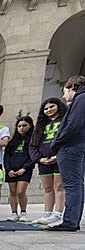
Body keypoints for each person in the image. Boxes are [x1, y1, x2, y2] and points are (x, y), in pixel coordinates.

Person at [49, 75, 85, 231]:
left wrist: (56, 142)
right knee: (77, 184)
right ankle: (73, 220)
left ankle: (70, 221)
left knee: (71, 185)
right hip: (78, 145)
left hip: (71, 146)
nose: (64, 96)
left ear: (72, 87)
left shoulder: (80, 99)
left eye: (65, 91)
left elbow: (73, 125)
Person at [30, 97, 68, 227]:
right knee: (47, 188)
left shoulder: (65, 121)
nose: (48, 110)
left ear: (58, 106)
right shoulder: (40, 126)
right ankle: (47, 213)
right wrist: (39, 159)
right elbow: (32, 145)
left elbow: (68, 139)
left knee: (59, 187)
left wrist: (58, 156)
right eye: (45, 108)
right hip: (43, 161)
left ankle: (58, 214)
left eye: (51, 107)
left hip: (60, 159)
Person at [2, 116, 35, 222]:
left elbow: (33, 157)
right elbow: (6, 156)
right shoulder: (12, 142)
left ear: (30, 126)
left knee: (20, 192)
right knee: (12, 192)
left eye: (24, 126)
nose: (22, 128)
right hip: (11, 170)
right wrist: (8, 170)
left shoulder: (33, 140)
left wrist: (24, 168)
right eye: (19, 126)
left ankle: (23, 212)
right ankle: (14, 212)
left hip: (25, 170)